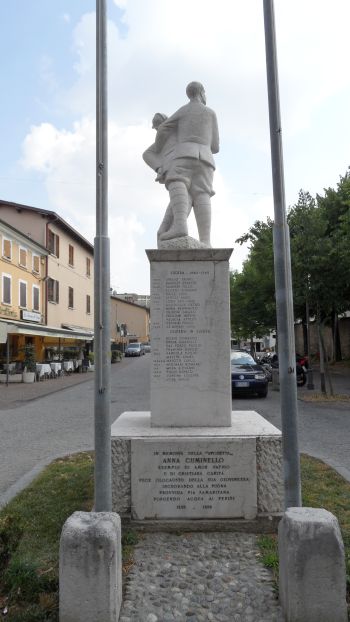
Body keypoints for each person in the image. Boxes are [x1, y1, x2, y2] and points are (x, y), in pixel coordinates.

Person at [152, 81, 219, 247]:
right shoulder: (211, 113)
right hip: (206, 158)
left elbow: (163, 128)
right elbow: (216, 146)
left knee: (177, 180)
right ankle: (206, 240)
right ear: (202, 93)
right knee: (202, 193)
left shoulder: (183, 111)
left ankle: (180, 224)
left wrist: (160, 147)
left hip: (184, 153)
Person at [143, 112, 192, 243]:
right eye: (156, 128)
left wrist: (160, 168)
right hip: (181, 166)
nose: (157, 130)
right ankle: (171, 228)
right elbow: (147, 153)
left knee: (183, 197)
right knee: (182, 197)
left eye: (157, 127)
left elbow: (147, 154)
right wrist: (159, 168)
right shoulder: (173, 132)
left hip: (180, 165)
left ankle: (172, 227)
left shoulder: (170, 130)